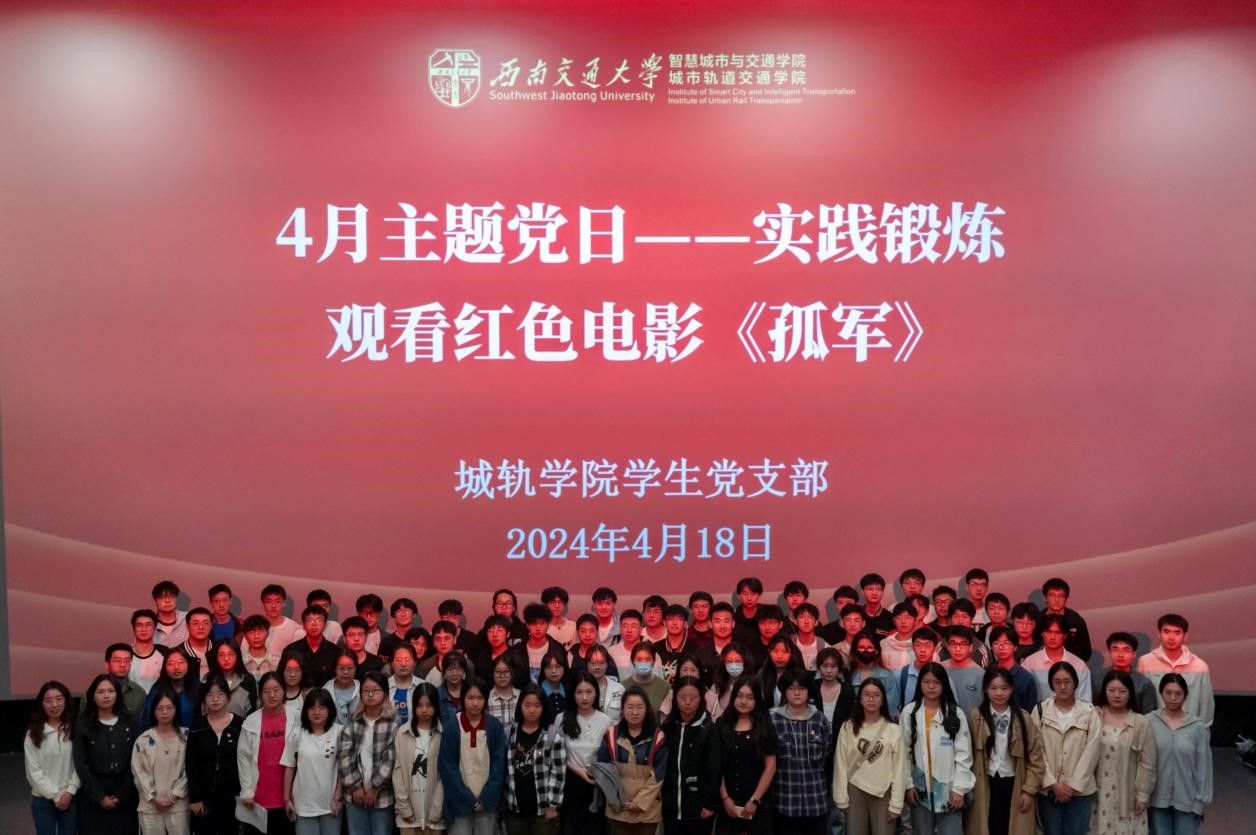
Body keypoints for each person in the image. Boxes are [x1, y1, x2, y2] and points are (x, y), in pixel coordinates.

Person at [966, 667, 1044, 835]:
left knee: (1012, 827)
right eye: (993, 688)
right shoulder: (975, 716)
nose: (999, 693)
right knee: (987, 826)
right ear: (985, 689)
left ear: (1011, 689)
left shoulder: (1023, 718)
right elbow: (967, 753)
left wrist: (1028, 790)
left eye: (1004, 688)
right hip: (985, 782)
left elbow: (1036, 757)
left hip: (1014, 782)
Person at [900, 662, 974, 835]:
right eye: (926, 682)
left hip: (949, 791)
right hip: (919, 791)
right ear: (919, 684)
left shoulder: (955, 713)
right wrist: (908, 785)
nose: (931, 686)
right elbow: (903, 753)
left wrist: (959, 789)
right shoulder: (909, 712)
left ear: (944, 684)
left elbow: (964, 755)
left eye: (936, 682)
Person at [1032, 661, 1102, 835]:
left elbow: (1092, 751)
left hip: (1080, 792)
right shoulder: (1040, 711)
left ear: (1075, 683)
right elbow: (1036, 750)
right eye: (1057, 682)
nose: (1062, 687)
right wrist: (1052, 784)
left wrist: (1073, 785)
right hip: (1049, 791)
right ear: (1051, 684)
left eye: (1067, 682)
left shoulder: (1089, 712)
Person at [833, 678, 905, 835]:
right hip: (855, 789)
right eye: (866, 695)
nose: (871, 699)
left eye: (876, 695)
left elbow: (900, 769)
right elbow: (840, 764)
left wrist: (896, 803)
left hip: (883, 791)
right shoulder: (848, 727)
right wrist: (841, 797)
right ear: (860, 699)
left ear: (883, 700)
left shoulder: (893, 730)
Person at [438, 676, 507, 835]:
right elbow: (447, 767)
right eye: (470, 698)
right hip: (459, 803)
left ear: (486, 699)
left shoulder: (494, 726)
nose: (475, 703)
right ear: (463, 698)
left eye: (480, 698)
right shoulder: (452, 726)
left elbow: (499, 767)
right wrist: (467, 798)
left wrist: (486, 798)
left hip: (487, 802)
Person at [74, 673, 140, 835]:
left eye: (111, 691)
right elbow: (81, 764)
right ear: (92, 696)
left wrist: (122, 794)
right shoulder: (83, 725)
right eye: (100, 692)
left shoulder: (129, 721)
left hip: (125, 789)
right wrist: (99, 796)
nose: (106, 696)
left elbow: (136, 760)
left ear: (117, 695)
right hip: (93, 791)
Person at [1091, 670, 1155, 835]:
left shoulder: (1141, 723)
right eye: (1111, 690)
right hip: (1097, 791)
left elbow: (1147, 763)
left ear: (1130, 693)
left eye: (1122, 691)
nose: (1116, 695)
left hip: (1128, 793)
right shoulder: (1094, 716)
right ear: (1104, 691)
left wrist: (1143, 795)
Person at [769, 668, 832, 835]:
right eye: (791, 688)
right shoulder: (773, 720)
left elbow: (826, 755)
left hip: (816, 799)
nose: (797, 693)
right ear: (784, 691)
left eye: (802, 688)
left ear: (808, 691)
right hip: (785, 801)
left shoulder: (820, 719)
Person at [337, 670, 400, 835]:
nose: (370, 694)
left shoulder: (393, 723)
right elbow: (344, 756)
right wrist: (355, 787)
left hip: (382, 796)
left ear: (385, 693)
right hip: (354, 795)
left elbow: (391, 759)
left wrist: (375, 789)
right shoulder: (353, 721)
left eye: (375, 690)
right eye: (366, 691)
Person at [1147, 674, 1211, 835]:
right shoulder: (1149, 721)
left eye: (1178, 693)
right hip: (1157, 799)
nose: (1173, 698)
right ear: (1161, 693)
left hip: (1188, 801)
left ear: (1186, 695)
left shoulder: (1197, 726)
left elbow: (1204, 766)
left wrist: (1200, 802)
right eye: (1168, 693)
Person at [599, 686, 667, 834]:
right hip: (618, 809)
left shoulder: (658, 737)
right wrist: (618, 800)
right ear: (622, 709)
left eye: (639, 707)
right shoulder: (611, 735)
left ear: (646, 709)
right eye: (630, 707)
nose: (635, 712)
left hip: (648, 811)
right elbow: (603, 770)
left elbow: (659, 774)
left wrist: (639, 803)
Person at [715, 676, 777, 835]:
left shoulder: (764, 725)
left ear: (757, 700)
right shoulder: (722, 724)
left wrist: (754, 800)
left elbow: (771, 766)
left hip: (758, 803)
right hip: (727, 803)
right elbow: (716, 765)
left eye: (750, 697)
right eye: (739, 696)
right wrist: (725, 798)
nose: (744, 701)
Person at [660, 674, 721, 834]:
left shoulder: (709, 729)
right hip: (671, 806)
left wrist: (709, 804)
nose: (687, 702)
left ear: (701, 698)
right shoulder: (668, 727)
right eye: (682, 697)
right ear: (675, 698)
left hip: (699, 808)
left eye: (693, 697)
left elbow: (713, 769)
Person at [504, 684, 566, 835]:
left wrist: (553, 805)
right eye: (527, 705)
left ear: (544, 707)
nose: (532, 710)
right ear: (520, 706)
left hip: (542, 810)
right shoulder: (509, 732)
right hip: (515, 807)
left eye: (537, 705)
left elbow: (558, 774)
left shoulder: (552, 736)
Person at [238, 672, 295, 835]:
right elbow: (243, 758)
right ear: (260, 694)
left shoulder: (296, 717)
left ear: (284, 691)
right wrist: (247, 791)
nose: (272, 695)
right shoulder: (251, 721)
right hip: (258, 798)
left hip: (288, 797)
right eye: (266, 691)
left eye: (276, 690)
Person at [185, 675, 243, 835]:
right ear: (204, 699)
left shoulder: (240, 725)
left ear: (228, 697)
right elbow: (191, 764)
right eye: (210, 695)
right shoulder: (197, 726)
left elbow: (247, 761)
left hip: (233, 796)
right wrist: (195, 797)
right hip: (204, 797)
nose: (215, 699)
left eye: (220, 694)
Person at [281, 689, 344, 835]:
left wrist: (338, 797)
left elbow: (343, 769)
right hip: (303, 804)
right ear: (306, 710)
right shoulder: (297, 733)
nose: (317, 712)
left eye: (321, 707)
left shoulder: (339, 732)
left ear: (330, 709)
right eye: (312, 708)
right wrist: (286, 799)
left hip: (331, 803)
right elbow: (289, 767)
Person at [558, 672, 613, 835]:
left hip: (597, 785)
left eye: (589, 692)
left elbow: (610, 757)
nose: (584, 697)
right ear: (572, 694)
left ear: (596, 693)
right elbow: (554, 755)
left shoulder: (606, 721)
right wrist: (577, 770)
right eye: (579, 692)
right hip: (569, 783)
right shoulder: (562, 718)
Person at [1136, 614, 1214, 727]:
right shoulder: (1145, 662)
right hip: (1153, 729)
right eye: (1166, 632)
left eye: (1177, 633)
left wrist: (1201, 731)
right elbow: (1139, 700)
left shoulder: (1199, 666)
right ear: (1159, 633)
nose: (1171, 637)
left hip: (1188, 729)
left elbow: (1206, 705)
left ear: (1185, 636)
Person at [131, 687, 190, 835]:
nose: (165, 712)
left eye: (169, 708)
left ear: (176, 709)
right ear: (153, 710)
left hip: (178, 805)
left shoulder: (186, 737)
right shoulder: (143, 740)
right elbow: (139, 772)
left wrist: (174, 795)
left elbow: (190, 769)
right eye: (160, 708)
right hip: (150, 806)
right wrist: (154, 797)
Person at [25, 680, 79, 835]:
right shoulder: (33, 734)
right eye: (48, 700)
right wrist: (56, 796)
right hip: (42, 798)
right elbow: (34, 772)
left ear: (66, 700)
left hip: (71, 796)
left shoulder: (76, 729)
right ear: (41, 704)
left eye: (59, 699)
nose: (54, 705)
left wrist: (70, 791)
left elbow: (81, 764)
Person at [393, 682, 446, 835]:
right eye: (419, 705)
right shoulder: (402, 733)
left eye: (429, 705)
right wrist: (404, 807)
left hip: (434, 816)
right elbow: (397, 773)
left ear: (436, 706)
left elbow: (445, 775)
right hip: (408, 814)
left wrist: (437, 809)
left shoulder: (443, 734)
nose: (424, 710)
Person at [1021, 615, 1091, 703]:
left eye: (1057, 633)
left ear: (1065, 635)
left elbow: (1085, 702)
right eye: (1048, 632)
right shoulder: (1029, 663)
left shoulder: (1079, 665)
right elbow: (1024, 698)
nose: (1052, 637)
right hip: (1038, 711)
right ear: (1042, 633)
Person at [1097, 633, 1157, 714]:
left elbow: (1149, 715)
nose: (1120, 655)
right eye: (1115, 649)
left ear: (1134, 654)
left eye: (1126, 650)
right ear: (1109, 652)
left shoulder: (1144, 683)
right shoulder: (1096, 678)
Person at [283, 606, 340, 690]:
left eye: (319, 620)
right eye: (309, 620)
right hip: (298, 696)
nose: (314, 624)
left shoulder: (335, 651)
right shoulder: (291, 650)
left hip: (327, 696)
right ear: (303, 625)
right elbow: (282, 678)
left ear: (325, 625)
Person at [144, 648, 200, 731]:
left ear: (188, 664)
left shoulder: (198, 687)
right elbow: (147, 721)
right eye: (170, 663)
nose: (176, 667)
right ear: (165, 667)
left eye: (181, 662)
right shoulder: (157, 690)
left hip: (193, 736)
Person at [510, 603, 567, 686]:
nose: (538, 628)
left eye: (542, 623)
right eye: (533, 624)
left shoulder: (558, 649)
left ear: (548, 625)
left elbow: (565, 680)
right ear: (527, 625)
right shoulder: (516, 650)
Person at [986, 627, 1039, 713]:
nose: (1001, 647)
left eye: (1006, 643)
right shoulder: (988, 673)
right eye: (996, 643)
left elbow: (1030, 711)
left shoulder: (1026, 678)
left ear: (1015, 647)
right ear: (991, 647)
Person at [848, 632, 900, 719]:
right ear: (855, 650)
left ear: (876, 651)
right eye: (861, 647)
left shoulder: (886, 676)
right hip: (854, 723)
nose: (866, 651)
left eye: (870, 647)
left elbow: (891, 708)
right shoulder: (847, 675)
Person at [1039, 579, 1092, 662]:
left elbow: (1086, 651)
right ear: (1045, 597)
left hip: (1071, 666)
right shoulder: (1038, 620)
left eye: (1061, 596)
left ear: (1066, 598)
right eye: (1052, 595)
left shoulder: (1076, 621)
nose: (1057, 599)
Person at [206, 640, 258, 718]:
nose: (226, 658)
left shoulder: (248, 681)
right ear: (216, 657)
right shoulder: (208, 680)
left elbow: (253, 711)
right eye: (221, 655)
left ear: (237, 655)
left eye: (231, 654)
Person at [939, 626, 984, 715]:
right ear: (947, 646)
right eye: (953, 643)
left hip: (971, 722)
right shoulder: (940, 669)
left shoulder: (981, 674)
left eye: (963, 644)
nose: (958, 649)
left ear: (971, 647)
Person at [897, 628, 940, 711]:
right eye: (918, 645)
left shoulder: (942, 676)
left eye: (927, 645)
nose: (923, 650)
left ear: (935, 648)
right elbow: (893, 708)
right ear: (912, 647)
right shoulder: (900, 675)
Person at [757, 635, 805, 708]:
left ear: (791, 654)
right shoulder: (762, 674)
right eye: (775, 651)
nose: (779, 656)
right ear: (769, 651)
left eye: (785, 652)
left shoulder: (798, 675)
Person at [626, 642, 671, 719]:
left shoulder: (665, 687)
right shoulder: (624, 686)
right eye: (639, 660)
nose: (643, 663)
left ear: (653, 661)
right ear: (633, 661)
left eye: (647, 659)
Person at [706, 643, 750, 721]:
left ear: (744, 662)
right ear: (724, 664)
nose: (734, 665)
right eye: (729, 661)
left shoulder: (753, 686)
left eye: (738, 661)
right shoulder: (716, 688)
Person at [694, 602, 738, 676]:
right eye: (717, 621)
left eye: (726, 621)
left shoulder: (743, 652)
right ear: (710, 624)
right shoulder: (700, 654)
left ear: (733, 624)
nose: (722, 626)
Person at [586, 644, 626, 724]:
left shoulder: (619, 689)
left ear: (607, 664)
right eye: (593, 663)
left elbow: (624, 717)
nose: (597, 667)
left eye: (601, 663)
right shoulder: (580, 689)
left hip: (613, 730)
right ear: (587, 665)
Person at [261, 584, 304, 657]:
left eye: (278, 601)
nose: (273, 606)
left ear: (284, 603)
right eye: (269, 602)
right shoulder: (255, 628)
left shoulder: (296, 629)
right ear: (263, 604)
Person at [107, 643, 147, 719]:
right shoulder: (95, 692)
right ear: (107, 664)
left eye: (127, 660)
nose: (123, 664)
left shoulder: (139, 693)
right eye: (118, 660)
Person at [878, 603, 917, 677]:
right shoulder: (884, 644)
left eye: (908, 617)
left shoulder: (920, 644)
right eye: (899, 617)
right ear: (894, 620)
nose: (903, 621)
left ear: (915, 620)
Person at [341, 616, 386, 681]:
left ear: (366, 636)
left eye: (360, 634)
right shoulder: (337, 662)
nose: (356, 639)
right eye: (351, 635)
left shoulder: (378, 663)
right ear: (344, 639)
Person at [657, 604, 694, 680]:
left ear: (685, 623)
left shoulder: (696, 649)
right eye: (670, 619)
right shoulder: (655, 648)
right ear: (664, 622)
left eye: (679, 619)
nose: (675, 623)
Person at [388, 644, 421, 727]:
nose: (403, 664)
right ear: (392, 663)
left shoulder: (422, 686)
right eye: (399, 660)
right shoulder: (383, 686)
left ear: (415, 662)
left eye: (407, 659)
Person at [325, 653, 361, 725]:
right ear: (335, 669)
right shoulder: (325, 691)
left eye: (350, 668)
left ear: (356, 669)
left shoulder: (363, 690)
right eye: (341, 668)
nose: (345, 672)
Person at [791, 603, 830, 670]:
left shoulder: (825, 647)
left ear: (816, 622)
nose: (806, 621)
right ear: (795, 621)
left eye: (810, 617)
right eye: (802, 617)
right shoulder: (788, 644)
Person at [241, 615, 280, 681]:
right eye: (251, 632)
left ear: (267, 634)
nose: (256, 636)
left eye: (261, 631)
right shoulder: (239, 662)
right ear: (245, 636)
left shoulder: (278, 662)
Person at [436, 652, 472, 724]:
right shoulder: (436, 695)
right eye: (450, 670)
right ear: (444, 672)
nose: (454, 673)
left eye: (458, 669)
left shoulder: (472, 692)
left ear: (464, 671)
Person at [152, 581, 189, 649]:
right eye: (162, 597)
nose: (167, 601)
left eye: (171, 596)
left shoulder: (188, 618)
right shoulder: (149, 623)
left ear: (177, 599)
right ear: (155, 601)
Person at [487, 655, 522, 727]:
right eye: (498, 672)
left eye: (506, 671)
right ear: (492, 673)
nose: (502, 676)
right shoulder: (487, 698)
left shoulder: (521, 697)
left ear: (512, 673)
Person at [381, 598, 420, 662]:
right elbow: (382, 665)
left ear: (414, 615)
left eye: (407, 610)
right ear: (393, 616)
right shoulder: (386, 642)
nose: (403, 614)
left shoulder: (421, 639)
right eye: (399, 611)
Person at [182, 609, 215, 679]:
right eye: (195, 623)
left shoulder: (219, 649)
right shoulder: (178, 652)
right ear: (187, 626)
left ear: (211, 626)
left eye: (205, 623)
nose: (201, 627)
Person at [733, 577, 765, 647]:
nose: (749, 598)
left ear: (759, 595)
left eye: (753, 594)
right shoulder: (733, 617)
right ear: (739, 596)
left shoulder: (766, 614)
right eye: (745, 594)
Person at [538, 649, 571, 716]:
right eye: (549, 667)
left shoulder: (569, 691)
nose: (553, 671)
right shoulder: (537, 692)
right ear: (543, 670)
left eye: (558, 667)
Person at [543, 586, 577, 650]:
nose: (557, 606)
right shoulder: (540, 627)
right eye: (552, 602)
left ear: (565, 605)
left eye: (560, 602)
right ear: (545, 605)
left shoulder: (573, 626)